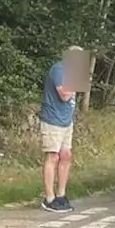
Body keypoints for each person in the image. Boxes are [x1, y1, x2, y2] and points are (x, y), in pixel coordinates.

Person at [40, 46, 81, 213]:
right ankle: (49, 198)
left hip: (66, 122)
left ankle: (61, 195)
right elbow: (64, 94)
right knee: (53, 157)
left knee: (66, 155)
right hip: (52, 120)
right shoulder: (59, 69)